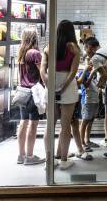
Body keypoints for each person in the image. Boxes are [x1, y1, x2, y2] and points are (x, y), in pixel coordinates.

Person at [41, 20, 80, 170]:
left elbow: (42, 70)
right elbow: (73, 71)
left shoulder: (48, 47)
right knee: (65, 126)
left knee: (50, 126)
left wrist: (49, 85)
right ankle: (64, 160)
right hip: (68, 88)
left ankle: (49, 161)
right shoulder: (74, 48)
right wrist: (63, 86)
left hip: (50, 86)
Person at [15, 28, 45, 165]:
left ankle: (21, 155)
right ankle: (30, 156)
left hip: (22, 93)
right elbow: (43, 73)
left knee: (23, 122)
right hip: (33, 93)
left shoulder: (21, 52)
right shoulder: (35, 53)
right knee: (33, 124)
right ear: (34, 38)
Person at [80, 37, 103, 150]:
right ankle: (82, 144)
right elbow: (84, 84)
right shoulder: (84, 62)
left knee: (91, 119)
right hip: (87, 97)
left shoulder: (95, 59)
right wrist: (92, 71)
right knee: (85, 120)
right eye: (91, 47)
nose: (93, 50)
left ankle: (87, 140)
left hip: (94, 95)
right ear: (86, 47)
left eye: (95, 47)